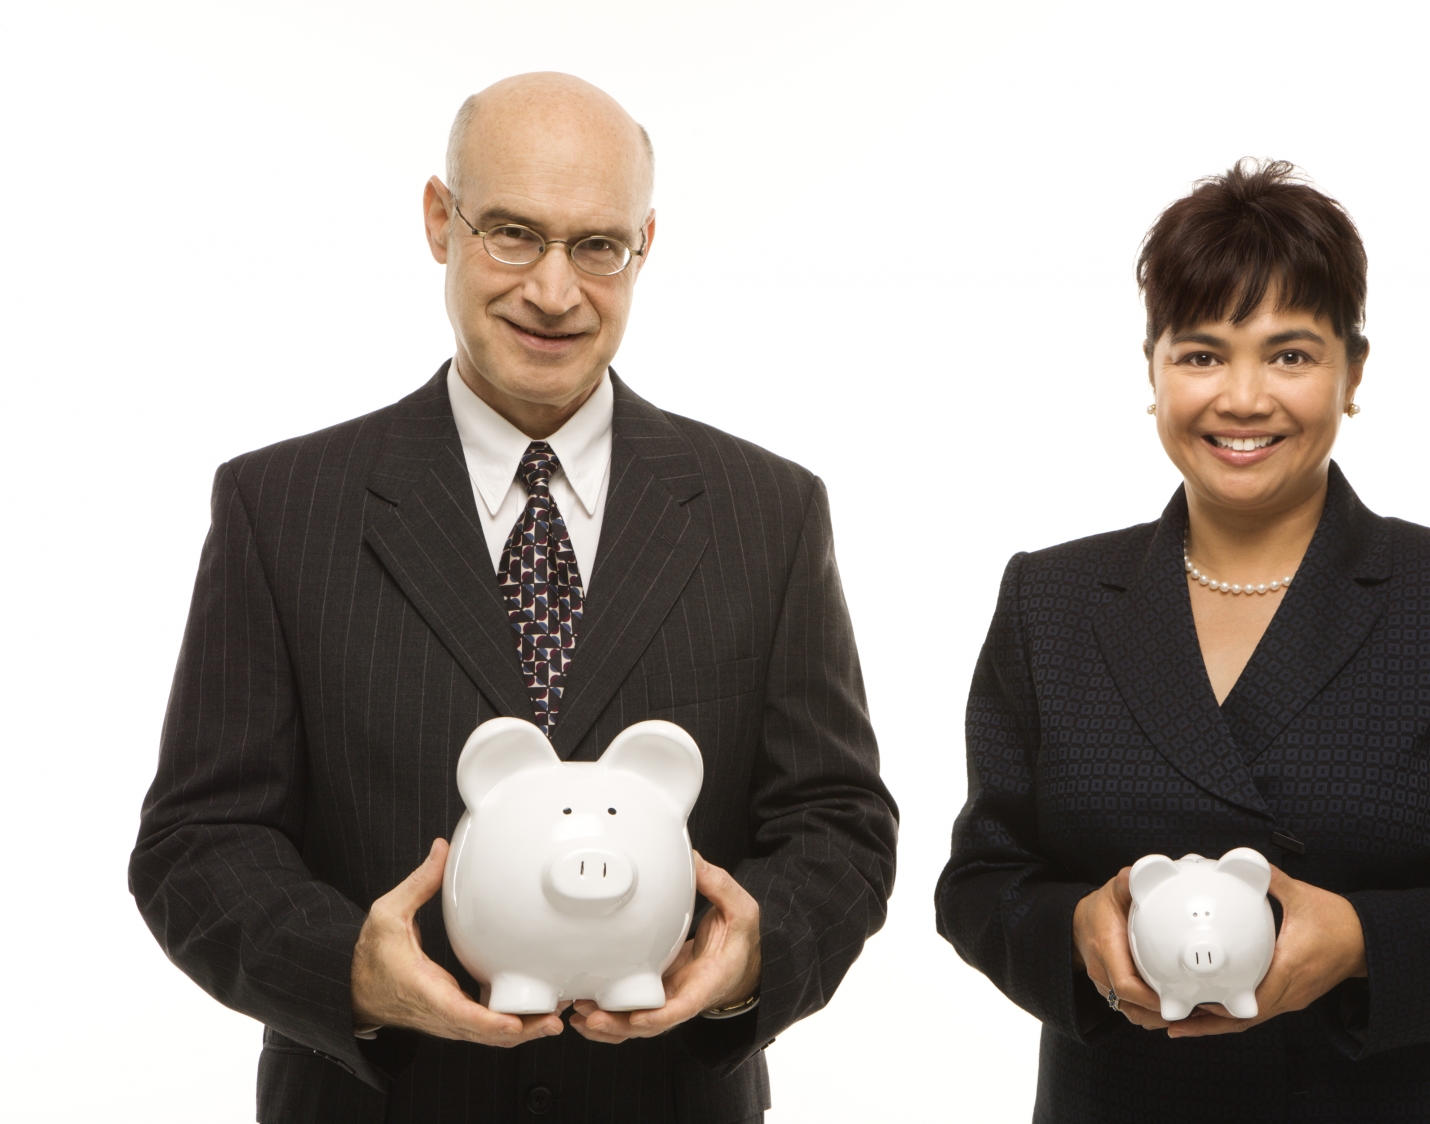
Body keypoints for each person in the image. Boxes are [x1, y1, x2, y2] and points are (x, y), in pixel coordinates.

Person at [130, 72, 898, 1124]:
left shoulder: (768, 511)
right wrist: (351, 972)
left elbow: (837, 822)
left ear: (645, 246)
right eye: (512, 234)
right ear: (439, 221)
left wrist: (753, 952)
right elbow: (198, 841)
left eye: (597, 246)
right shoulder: (282, 505)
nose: (553, 290)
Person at [935, 160, 1430, 1121]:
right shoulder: (1052, 599)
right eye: (1201, 355)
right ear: (1152, 370)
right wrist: (1075, 931)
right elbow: (979, 881)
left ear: (1352, 372)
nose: (1242, 398)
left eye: (1289, 355)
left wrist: (1363, 941)